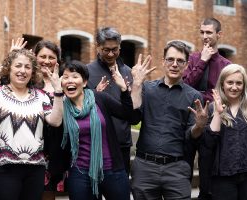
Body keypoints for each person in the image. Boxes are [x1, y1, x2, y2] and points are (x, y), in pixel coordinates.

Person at [130, 40, 208, 200]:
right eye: (170, 59)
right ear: (163, 62)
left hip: (177, 169)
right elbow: (133, 117)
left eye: (180, 61)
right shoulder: (147, 89)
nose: (174, 64)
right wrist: (137, 84)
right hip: (145, 167)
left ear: (186, 65)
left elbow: (191, 136)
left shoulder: (194, 96)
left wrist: (199, 126)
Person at [61, 60, 135, 200]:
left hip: (112, 170)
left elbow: (128, 115)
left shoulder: (99, 98)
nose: (70, 81)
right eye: (65, 77)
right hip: (79, 172)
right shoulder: (60, 107)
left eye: (75, 76)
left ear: (84, 82)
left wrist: (124, 90)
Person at [0, 49, 63, 200]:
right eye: (18, 66)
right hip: (4, 168)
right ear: (9, 68)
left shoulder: (41, 96)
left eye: (27, 67)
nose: (22, 71)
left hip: (35, 169)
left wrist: (58, 91)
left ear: (33, 72)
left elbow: (55, 121)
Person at [182, 18, 231, 200]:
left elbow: (228, 95)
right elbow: (185, 87)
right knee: (184, 170)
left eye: (209, 32)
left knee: (207, 173)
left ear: (219, 35)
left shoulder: (226, 65)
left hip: (212, 122)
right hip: (189, 119)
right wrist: (202, 61)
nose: (205, 36)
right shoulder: (192, 59)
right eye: (202, 32)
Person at [207, 64, 247, 200]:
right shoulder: (212, 109)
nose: (234, 87)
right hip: (222, 178)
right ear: (222, 84)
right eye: (230, 82)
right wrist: (218, 113)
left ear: (244, 86)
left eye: (238, 83)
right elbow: (209, 142)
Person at [87, 27, 133, 175]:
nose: (111, 54)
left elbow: (134, 113)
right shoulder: (86, 72)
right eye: (106, 50)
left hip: (122, 145)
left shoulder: (129, 73)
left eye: (115, 49)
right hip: (95, 144)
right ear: (97, 47)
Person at [34, 40, 69, 199]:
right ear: (34, 57)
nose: (47, 61)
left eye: (51, 57)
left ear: (58, 60)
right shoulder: (26, 81)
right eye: (42, 56)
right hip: (32, 147)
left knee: (50, 194)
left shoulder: (65, 82)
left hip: (57, 147)